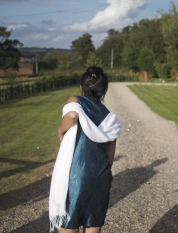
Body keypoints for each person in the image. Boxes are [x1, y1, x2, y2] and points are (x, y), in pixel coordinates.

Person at [49, 66, 121, 233]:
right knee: (93, 222)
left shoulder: (76, 101)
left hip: (76, 173)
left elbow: (72, 116)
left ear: (82, 87)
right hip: (101, 174)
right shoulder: (110, 118)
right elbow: (110, 157)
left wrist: (60, 131)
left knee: (70, 222)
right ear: (104, 89)